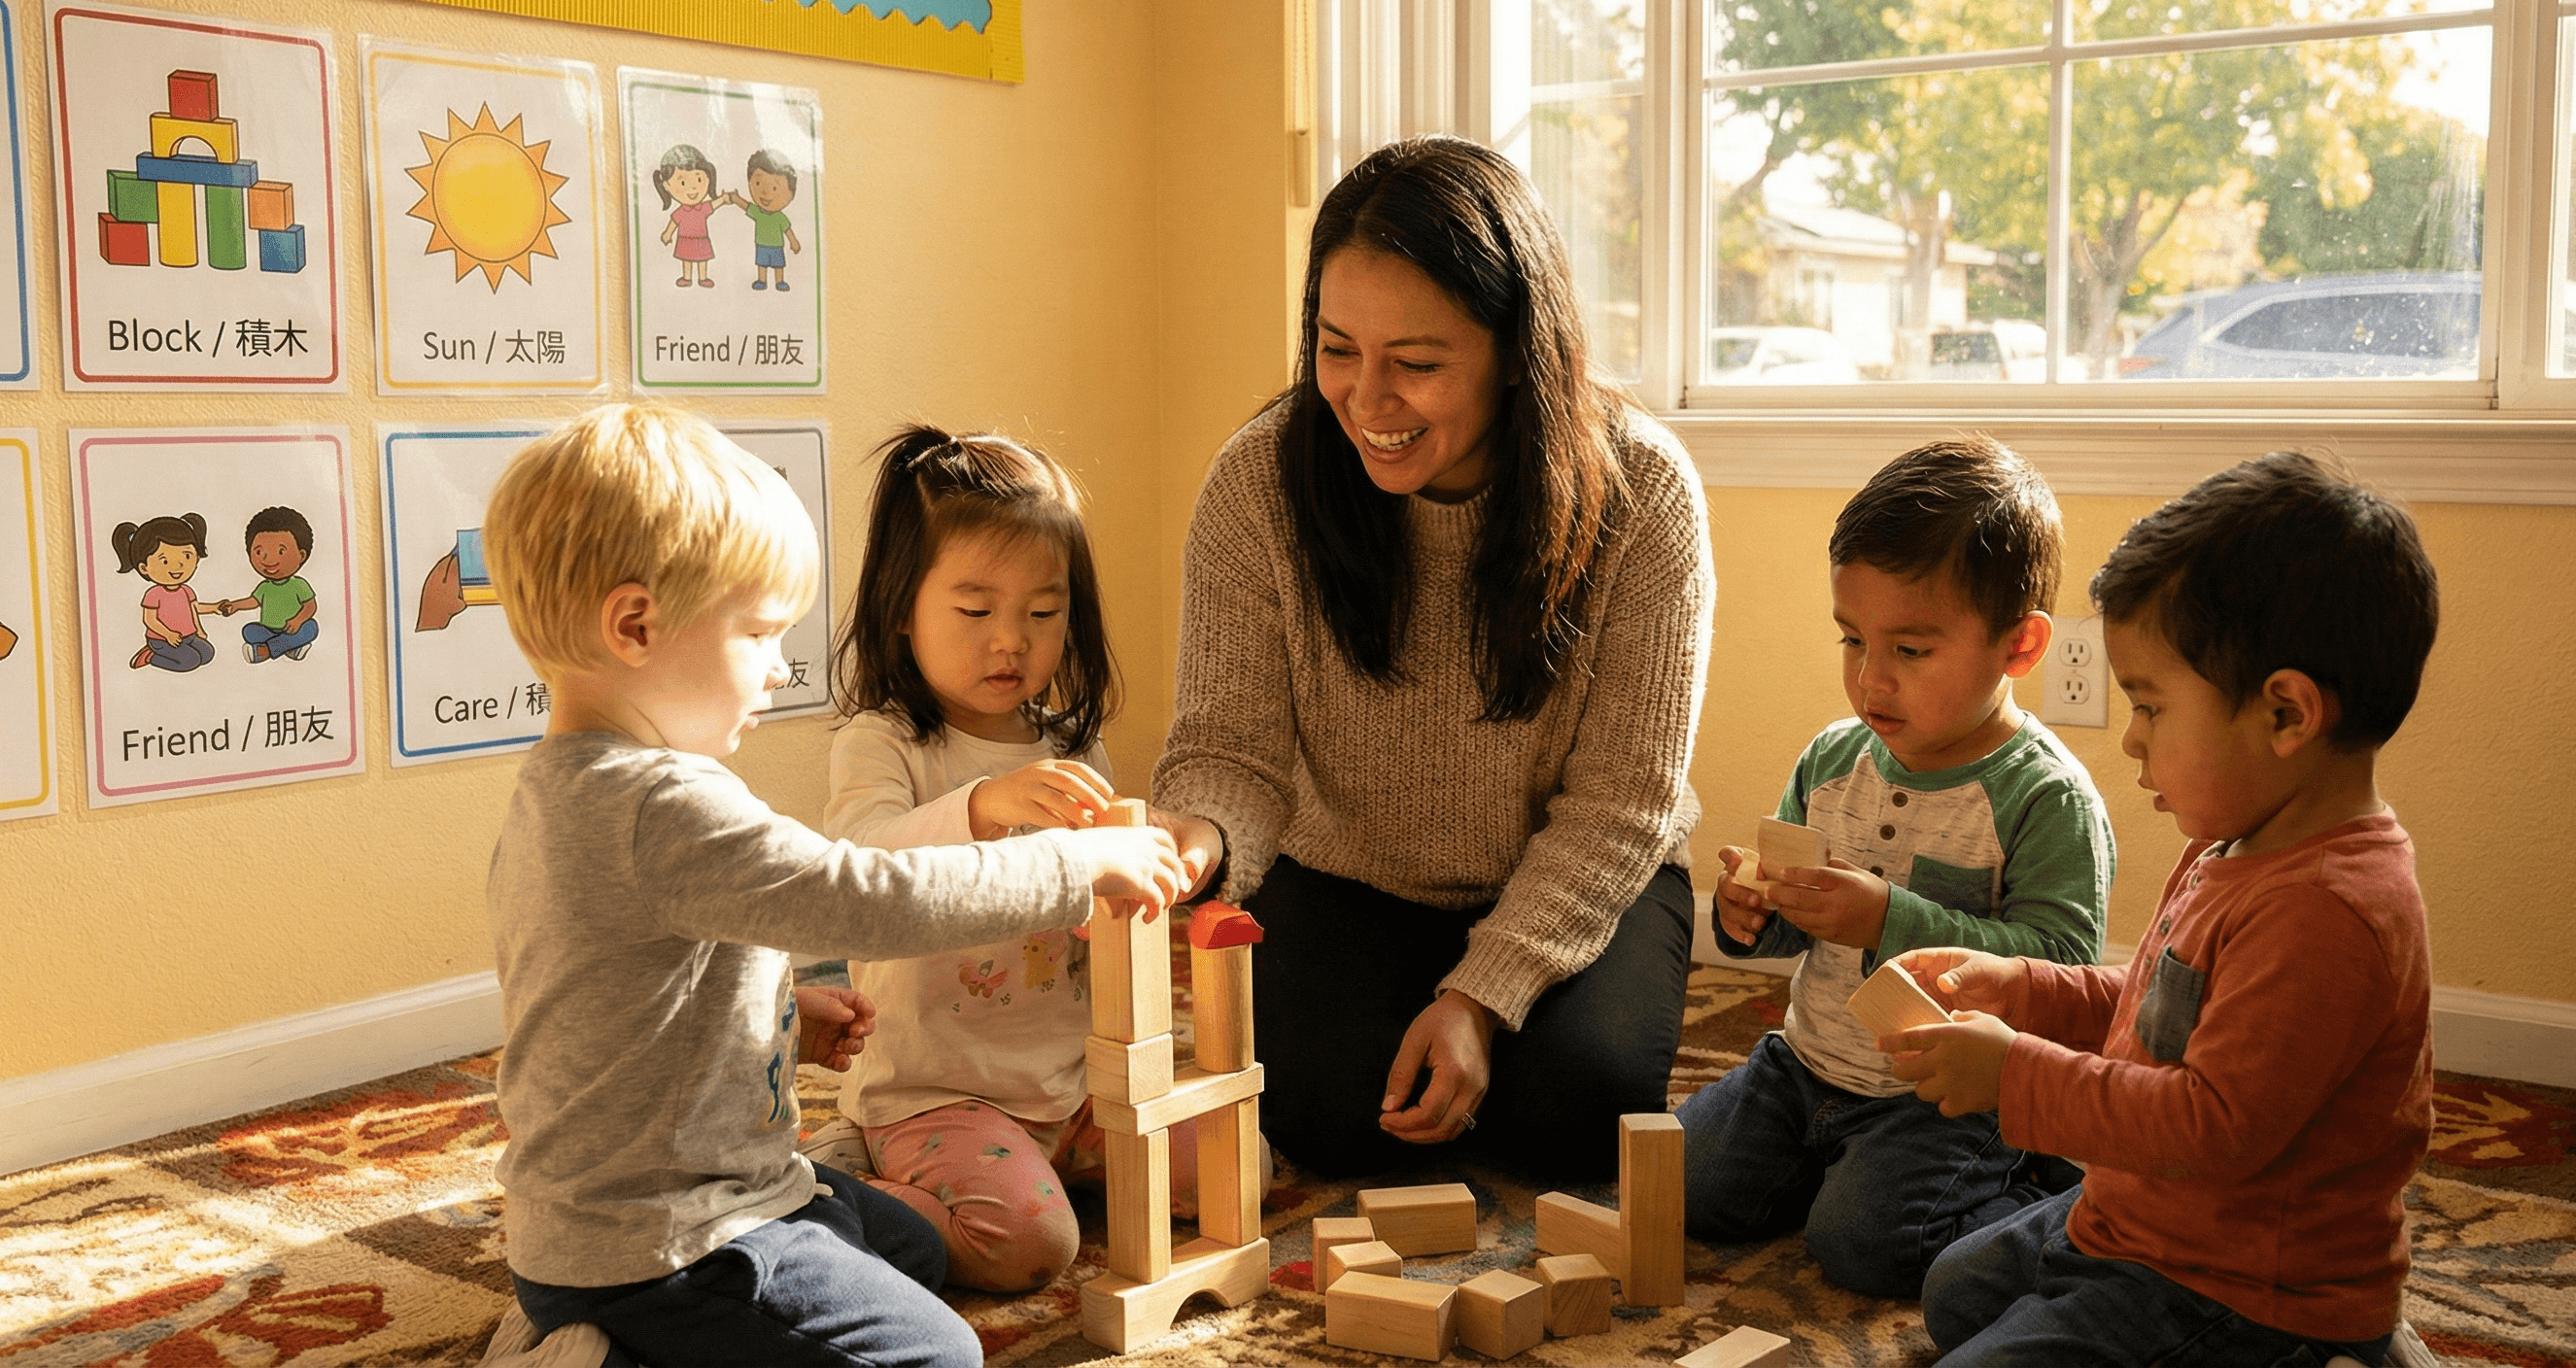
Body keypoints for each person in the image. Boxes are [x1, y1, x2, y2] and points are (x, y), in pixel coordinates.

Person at [473, 404, 1188, 1368]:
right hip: (667, 1243)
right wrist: (1074, 867)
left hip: (681, 1201)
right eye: (759, 634)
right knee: (940, 1355)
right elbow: (863, 896)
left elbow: (603, 994)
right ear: (636, 625)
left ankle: (609, 1317)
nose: (776, 672)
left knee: (908, 1246)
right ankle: (597, 1345)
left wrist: (773, 1011)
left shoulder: (561, 789)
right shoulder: (662, 806)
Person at [1151, 135, 1713, 1180]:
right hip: (1352, 875)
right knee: (1331, 1121)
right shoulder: (1256, 485)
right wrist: (1195, 842)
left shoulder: (1643, 490)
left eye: (1415, 364)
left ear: (1515, 348)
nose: (1366, 400)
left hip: (1581, 871)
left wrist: (1478, 997)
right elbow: (1229, 751)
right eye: (1334, 348)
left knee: (1575, 1115)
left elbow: (1622, 800)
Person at [1888, 451, 2440, 1367]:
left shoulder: (2328, 912)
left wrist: (2018, 1077)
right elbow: (2157, 1016)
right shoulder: (2237, 840)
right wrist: (2022, 988)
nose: (2132, 738)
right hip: (2141, 1217)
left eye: (2150, 706)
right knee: (1957, 1291)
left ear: (2287, 714)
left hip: (2243, 1287)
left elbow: (2212, 1125)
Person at [1681, 437, 2114, 1298]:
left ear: (2020, 647)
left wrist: (1888, 918)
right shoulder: (1833, 759)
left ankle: (2041, 1189)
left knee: (1867, 1249)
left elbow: (2062, 971)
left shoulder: (2045, 798)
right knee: (1682, 1185)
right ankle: (1836, 1171)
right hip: (1807, 1063)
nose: (1870, 680)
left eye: (1911, 651)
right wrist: (1752, 910)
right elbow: (1794, 934)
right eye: (1852, 640)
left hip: (1944, 1098)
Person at [801, 424, 1223, 1293]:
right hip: (939, 1093)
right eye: (974, 610)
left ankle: (1038, 1170)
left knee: (1231, 1161)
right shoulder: (883, 746)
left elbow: (1095, 906)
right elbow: (860, 871)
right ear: (900, 609)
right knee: (1030, 1245)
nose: (1011, 641)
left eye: (1043, 612)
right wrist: (981, 807)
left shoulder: (1072, 745)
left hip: (1069, 1087)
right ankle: (841, 1184)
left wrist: (1157, 863)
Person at [113, 512, 223, 672]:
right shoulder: (154, 594)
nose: (178, 566)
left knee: (207, 654)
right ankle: (151, 656)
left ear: (196, 558)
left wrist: (212, 610)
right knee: (190, 662)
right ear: (144, 568)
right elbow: (149, 620)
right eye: (164, 561)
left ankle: (175, 651)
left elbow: (194, 609)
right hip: (162, 639)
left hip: (188, 636)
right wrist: (168, 634)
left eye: (186, 556)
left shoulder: (186, 590)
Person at [215, 505, 318, 663]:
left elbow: (310, 607)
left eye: (281, 551)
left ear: (301, 555)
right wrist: (234, 606)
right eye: (259, 552)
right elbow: (253, 602)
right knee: (249, 631)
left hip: (293, 628)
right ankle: (290, 648)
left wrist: (298, 620)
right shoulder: (265, 587)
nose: (268, 560)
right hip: (269, 630)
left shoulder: (299, 585)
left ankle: (265, 651)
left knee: (311, 628)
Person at [728, 149, 804, 291]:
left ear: (791, 192)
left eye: (774, 187)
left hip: (776, 246)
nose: (765, 192)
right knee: (761, 264)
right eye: (758, 184)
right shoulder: (758, 212)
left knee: (778, 265)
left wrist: (793, 242)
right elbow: (746, 206)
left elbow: (788, 230)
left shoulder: (780, 217)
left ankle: (779, 281)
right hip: (761, 245)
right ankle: (762, 280)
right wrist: (735, 198)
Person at [653, 145, 721, 289]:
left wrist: (724, 199)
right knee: (687, 259)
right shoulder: (681, 212)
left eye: (698, 180)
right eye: (683, 182)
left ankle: (703, 278)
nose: (693, 188)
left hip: (701, 239)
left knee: (702, 259)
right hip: (685, 239)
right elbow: (673, 223)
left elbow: (714, 204)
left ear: (708, 178)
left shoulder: (702, 208)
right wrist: (667, 233)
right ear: (666, 185)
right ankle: (687, 277)